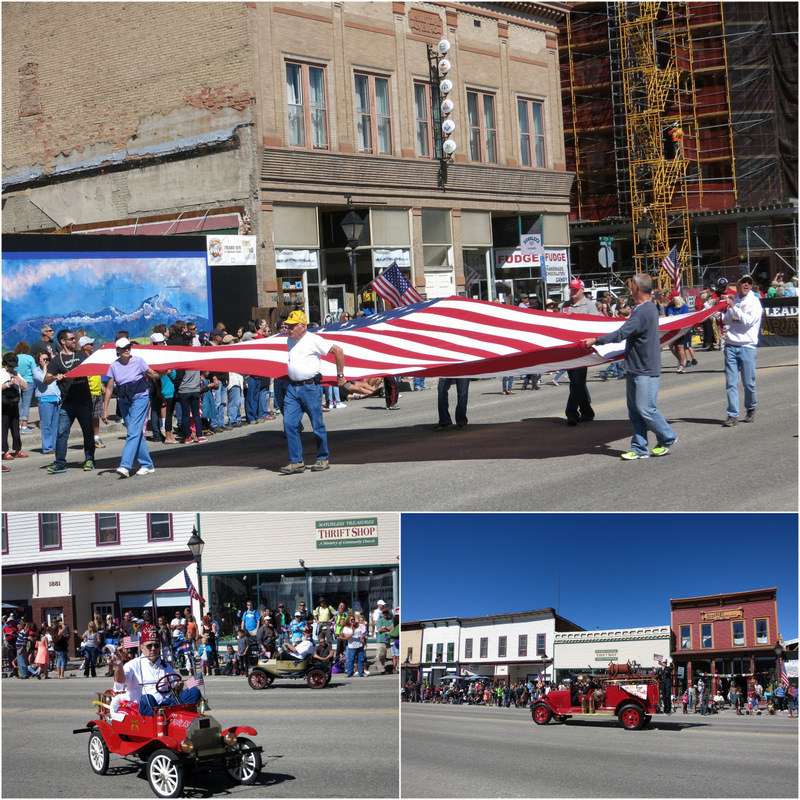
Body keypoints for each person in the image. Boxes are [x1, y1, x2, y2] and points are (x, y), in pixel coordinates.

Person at [582, 273, 677, 459]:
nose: (630, 288)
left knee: (645, 409)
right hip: (635, 367)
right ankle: (640, 448)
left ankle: (667, 437)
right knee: (634, 411)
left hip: (645, 369)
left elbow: (621, 333)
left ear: (638, 289)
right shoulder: (645, 309)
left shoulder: (644, 311)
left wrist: (596, 340)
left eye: (632, 285)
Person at [279, 310, 346, 474]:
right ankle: (296, 461)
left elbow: (338, 351)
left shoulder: (313, 339)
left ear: (302, 326)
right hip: (292, 388)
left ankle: (323, 458)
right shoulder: (290, 340)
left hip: (310, 388)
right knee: (289, 424)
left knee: (317, 425)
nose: (289, 328)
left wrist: (340, 375)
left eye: (292, 326)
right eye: (288, 325)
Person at [109, 624, 201, 716]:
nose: (153, 649)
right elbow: (120, 681)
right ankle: (163, 720)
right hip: (147, 707)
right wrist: (119, 666)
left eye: (156, 646)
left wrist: (178, 685)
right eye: (149, 646)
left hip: (169, 704)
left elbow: (176, 683)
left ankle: (179, 718)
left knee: (194, 691)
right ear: (141, 647)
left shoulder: (165, 665)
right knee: (147, 698)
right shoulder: (133, 664)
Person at [102, 338, 161, 477]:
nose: (127, 349)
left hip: (140, 397)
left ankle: (125, 465)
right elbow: (109, 389)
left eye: (128, 346)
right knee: (135, 432)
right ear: (118, 350)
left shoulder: (138, 361)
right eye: (124, 348)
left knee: (133, 432)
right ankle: (147, 464)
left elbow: (152, 374)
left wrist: (165, 372)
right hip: (124, 400)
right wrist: (105, 409)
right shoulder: (114, 366)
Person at [43, 329, 95, 474]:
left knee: (87, 432)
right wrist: (55, 377)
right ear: (63, 341)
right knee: (61, 434)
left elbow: (93, 366)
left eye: (74, 338)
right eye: (71, 339)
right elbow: (45, 380)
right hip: (67, 404)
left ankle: (89, 459)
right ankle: (60, 463)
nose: (74, 340)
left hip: (84, 401)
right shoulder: (56, 360)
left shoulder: (80, 355)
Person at [721, 275, 763, 427]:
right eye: (743, 282)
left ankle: (751, 408)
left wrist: (733, 307)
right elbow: (726, 320)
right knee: (731, 383)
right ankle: (732, 415)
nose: (746, 284)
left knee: (748, 383)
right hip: (731, 345)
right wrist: (719, 311)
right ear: (738, 284)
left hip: (747, 346)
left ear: (751, 286)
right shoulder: (735, 299)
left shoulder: (754, 302)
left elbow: (748, 322)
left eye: (749, 283)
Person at [564, 279, 600, 425]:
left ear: (582, 290)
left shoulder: (590, 306)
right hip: (569, 350)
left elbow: (595, 326)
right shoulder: (566, 306)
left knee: (577, 383)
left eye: (575, 289)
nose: (572, 291)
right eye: (571, 289)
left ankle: (571, 413)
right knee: (576, 382)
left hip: (583, 350)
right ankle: (587, 411)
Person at [2, 353, 29, 462]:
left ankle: (17, 449)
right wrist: (10, 383)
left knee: (15, 427)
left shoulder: (16, 373)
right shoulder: (2, 373)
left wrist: (17, 379)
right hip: (3, 404)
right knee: (3, 428)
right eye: (10, 366)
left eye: (13, 366)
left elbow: (25, 386)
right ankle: (5, 451)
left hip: (14, 403)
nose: (11, 368)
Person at [375, 606, 394, 674]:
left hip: (389, 641)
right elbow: (379, 629)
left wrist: (385, 627)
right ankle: (383, 667)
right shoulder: (380, 620)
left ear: (388, 613)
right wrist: (388, 628)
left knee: (390, 656)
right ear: (382, 613)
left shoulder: (391, 620)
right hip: (381, 640)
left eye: (386, 613)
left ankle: (391, 668)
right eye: (384, 613)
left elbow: (393, 628)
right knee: (381, 655)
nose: (385, 614)